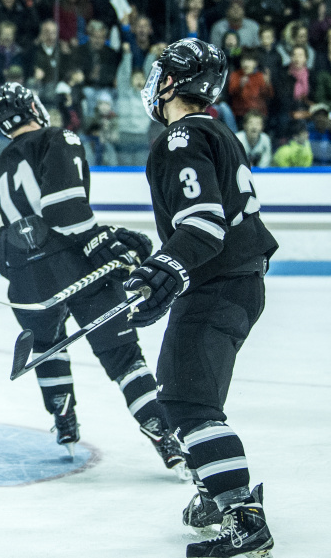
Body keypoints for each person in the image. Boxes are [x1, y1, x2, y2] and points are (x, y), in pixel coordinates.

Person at [125, 38, 277, 557]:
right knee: (189, 391)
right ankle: (215, 493)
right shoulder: (216, 132)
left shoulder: (182, 136)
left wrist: (166, 267)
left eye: (159, 73)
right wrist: (162, 262)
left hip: (218, 284)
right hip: (235, 282)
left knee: (188, 400)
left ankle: (242, 515)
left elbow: (203, 224)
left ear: (171, 82)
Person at [0, 83, 185, 471]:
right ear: (33, 105)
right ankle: (163, 433)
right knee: (124, 356)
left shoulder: (0, 165)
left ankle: (64, 420)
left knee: (47, 345)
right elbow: (64, 208)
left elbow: (19, 227)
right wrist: (100, 239)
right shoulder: (57, 137)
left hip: (26, 276)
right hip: (74, 265)